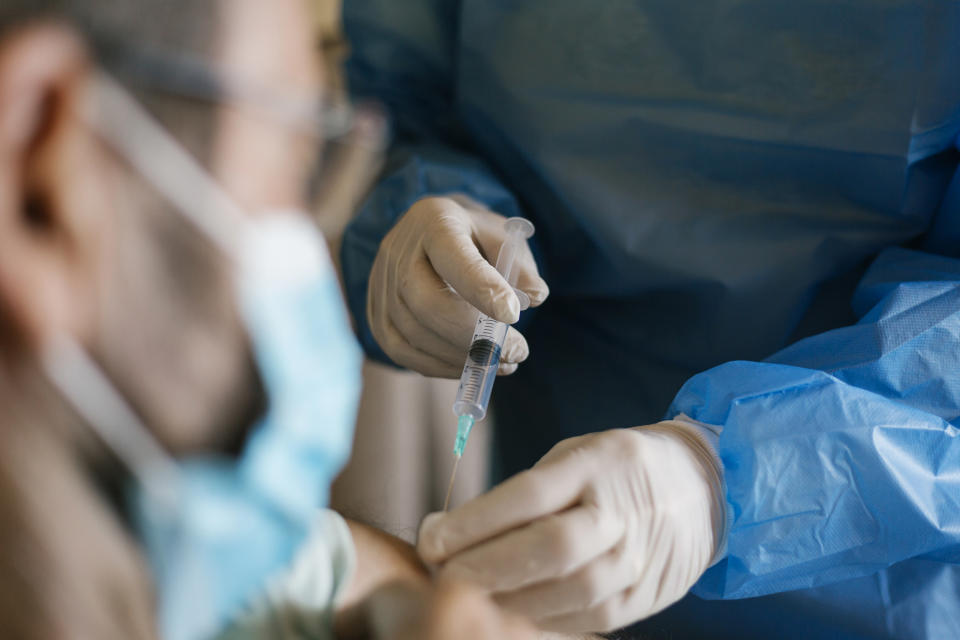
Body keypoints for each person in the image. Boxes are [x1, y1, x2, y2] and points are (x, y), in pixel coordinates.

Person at [339, 1, 960, 638]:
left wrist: (731, 477)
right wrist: (444, 211)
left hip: (874, 558)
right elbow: (412, 102)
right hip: (555, 543)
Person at [0, 1, 543, 639]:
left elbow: (346, 576)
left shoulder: (160, 546)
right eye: (294, 159)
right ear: (41, 174)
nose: (309, 256)